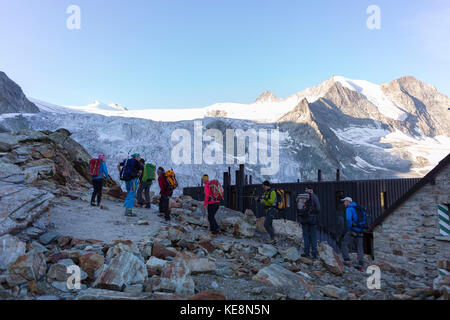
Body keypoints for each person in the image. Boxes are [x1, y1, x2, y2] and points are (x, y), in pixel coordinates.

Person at [341, 197, 365, 270]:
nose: (344, 203)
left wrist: (349, 228)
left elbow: (348, 219)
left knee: (344, 243)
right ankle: (360, 263)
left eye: (344, 202)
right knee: (359, 246)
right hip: (361, 229)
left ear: (348, 201)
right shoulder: (359, 208)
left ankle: (347, 260)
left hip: (353, 229)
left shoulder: (349, 208)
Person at [297, 186, 320, 259]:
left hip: (303, 219)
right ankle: (314, 253)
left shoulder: (301, 197)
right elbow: (318, 208)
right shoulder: (314, 196)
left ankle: (306, 253)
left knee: (306, 236)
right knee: (313, 236)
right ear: (311, 190)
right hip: (312, 219)